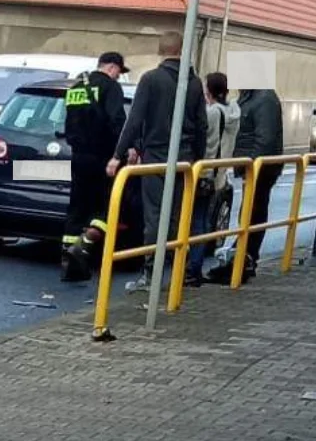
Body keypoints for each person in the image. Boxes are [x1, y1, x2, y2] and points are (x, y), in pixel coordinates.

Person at [107, 31, 207, 290]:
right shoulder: (194, 83)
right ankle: (174, 274)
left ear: (161, 51)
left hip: (156, 158)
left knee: (154, 217)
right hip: (184, 160)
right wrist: (198, 159)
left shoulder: (151, 79)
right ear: (182, 50)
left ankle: (150, 276)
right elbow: (201, 126)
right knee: (176, 217)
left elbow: (135, 120)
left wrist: (118, 155)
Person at [60, 52, 129, 282]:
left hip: (78, 156)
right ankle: (84, 245)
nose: (119, 76)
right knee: (105, 207)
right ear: (111, 67)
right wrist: (122, 152)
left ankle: (67, 259)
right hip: (103, 158)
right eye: (119, 71)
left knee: (77, 207)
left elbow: (69, 120)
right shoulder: (111, 88)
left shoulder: (76, 87)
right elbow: (117, 121)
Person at [226, 85, 283, 281]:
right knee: (250, 213)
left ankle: (243, 262)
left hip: (259, 168)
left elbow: (265, 140)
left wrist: (251, 165)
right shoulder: (253, 96)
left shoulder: (263, 98)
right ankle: (241, 259)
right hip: (254, 165)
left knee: (253, 212)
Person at [187, 72, 239, 285]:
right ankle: (194, 267)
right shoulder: (232, 112)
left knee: (196, 221)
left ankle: (193, 269)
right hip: (218, 173)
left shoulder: (213, 113)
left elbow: (203, 140)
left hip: (204, 172)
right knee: (203, 219)